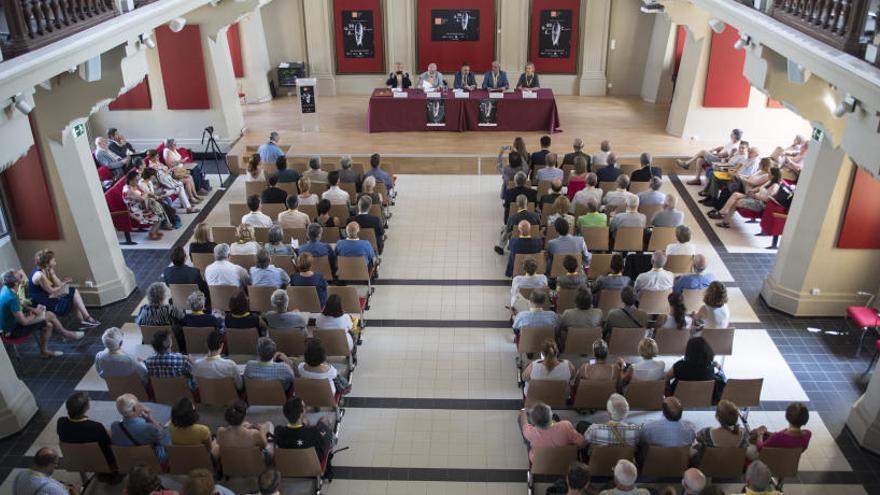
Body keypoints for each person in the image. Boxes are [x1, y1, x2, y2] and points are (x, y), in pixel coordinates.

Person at [1, 270, 74, 357]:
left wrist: (33, 310)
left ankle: (61, 337)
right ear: (16, 283)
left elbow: (18, 308)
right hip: (12, 331)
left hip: (11, 323)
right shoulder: (11, 298)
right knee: (49, 319)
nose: (22, 275)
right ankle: (63, 335)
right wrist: (37, 314)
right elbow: (24, 322)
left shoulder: (5, 289)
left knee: (48, 321)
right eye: (20, 276)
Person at [712, 166, 782, 228]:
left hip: (760, 204)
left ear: (773, 175)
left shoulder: (775, 186)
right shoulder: (769, 181)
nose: (767, 174)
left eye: (769, 173)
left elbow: (767, 199)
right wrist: (752, 191)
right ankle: (723, 211)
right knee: (736, 194)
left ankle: (725, 221)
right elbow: (759, 188)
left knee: (736, 202)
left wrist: (755, 196)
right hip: (755, 197)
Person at [57, 392, 115, 467]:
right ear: (86, 408)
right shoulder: (96, 427)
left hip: (75, 460)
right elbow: (107, 443)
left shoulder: (61, 422)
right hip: (100, 460)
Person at [111, 393, 170, 462]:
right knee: (167, 431)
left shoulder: (114, 426)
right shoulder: (149, 428)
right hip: (150, 461)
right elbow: (165, 441)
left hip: (127, 461)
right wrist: (151, 418)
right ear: (134, 408)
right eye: (138, 402)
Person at [519, 402, 585, 462]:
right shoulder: (565, 426)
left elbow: (523, 423)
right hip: (564, 459)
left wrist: (523, 410)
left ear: (534, 422)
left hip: (540, 461)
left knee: (521, 422)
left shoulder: (530, 432)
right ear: (550, 415)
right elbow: (582, 443)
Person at [676, 128, 743, 178]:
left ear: (736, 136)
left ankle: (687, 163)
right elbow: (723, 147)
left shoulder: (735, 146)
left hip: (721, 161)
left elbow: (724, 155)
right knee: (700, 160)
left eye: (732, 133)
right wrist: (714, 149)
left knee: (703, 151)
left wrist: (711, 154)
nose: (730, 134)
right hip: (718, 157)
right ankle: (697, 179)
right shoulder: (732, 142)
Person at [13, 447, 80, 495]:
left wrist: (60, 484)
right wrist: (76, 492)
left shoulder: (20, 474)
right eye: (56, 464)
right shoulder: (51, 489)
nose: (55, 467)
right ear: (50, 465)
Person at [121, 170, 165, 240]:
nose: (138, 182)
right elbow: (141, 199)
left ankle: (154, 231)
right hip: (135, 211)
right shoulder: (129, 190)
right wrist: (146, 194)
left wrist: (154, 196)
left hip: (141, 206)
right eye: (136, 180)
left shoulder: (135, 185)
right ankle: (152, 233)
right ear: (131, 180)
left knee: (160, 211)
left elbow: (145, 192)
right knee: (158, 217)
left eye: (138, 180)